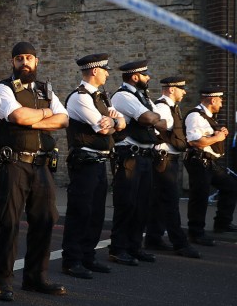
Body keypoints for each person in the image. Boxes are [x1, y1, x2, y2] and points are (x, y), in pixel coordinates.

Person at [0, 41, 69, 302]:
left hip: (42, 164)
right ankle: (3, 280)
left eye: (29, 58)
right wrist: (46, 114)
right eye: (19, 58)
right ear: (12, 62)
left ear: (36, 62)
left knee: (45, 221)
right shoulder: (3, 88)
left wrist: (36, 116)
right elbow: (18, 117)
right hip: (14, 163)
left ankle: (36, 277)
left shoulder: (46, 88)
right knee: (9, 222)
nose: (25, 62)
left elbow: (64, 119)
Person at [60, 53, 126, 279]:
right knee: (81, 211)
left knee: (96, 212)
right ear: (95, 71)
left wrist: (115, 122)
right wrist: (114, 123)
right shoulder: (80, 98)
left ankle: (88, 255)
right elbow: (102, 128)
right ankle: (72, 260)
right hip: (85, 161)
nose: (108, 73)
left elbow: (121, 122)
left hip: (99, 161)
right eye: (105, 70)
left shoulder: (102, 97)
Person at [108, 59, 165, 266]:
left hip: (145, 156)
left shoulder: (144, 96)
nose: (148, 77)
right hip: (129, 156)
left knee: (142, 205)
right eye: (145, 74)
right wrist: (152, 118)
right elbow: (149, 119)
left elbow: (163, 123)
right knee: (127, 204)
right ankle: (118, 248)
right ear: (135, 77)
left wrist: (152, 117)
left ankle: (134, 246)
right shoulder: (123, 96)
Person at [145, 76, 200, 258]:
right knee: (170, 202)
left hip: (168, 159)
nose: (184, 92)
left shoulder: (171, 107)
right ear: (171, 89)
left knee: (159, 202)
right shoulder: (162, 107)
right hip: (164, 160)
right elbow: (154, 129)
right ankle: (180, 244)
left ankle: (153, 238)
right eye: (181, 88)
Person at [184, 86, 237, 245]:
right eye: (220, 100)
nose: (222, 104)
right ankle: (196, 233)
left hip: (209, 162)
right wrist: (218, 137)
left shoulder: (207, 116)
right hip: (198, 161)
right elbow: (195, 141)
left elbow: (208, 135)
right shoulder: (195, 116)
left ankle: (222, 223)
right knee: (200, 196)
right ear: (212, 100)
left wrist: (218, 131)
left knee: (230, 187)